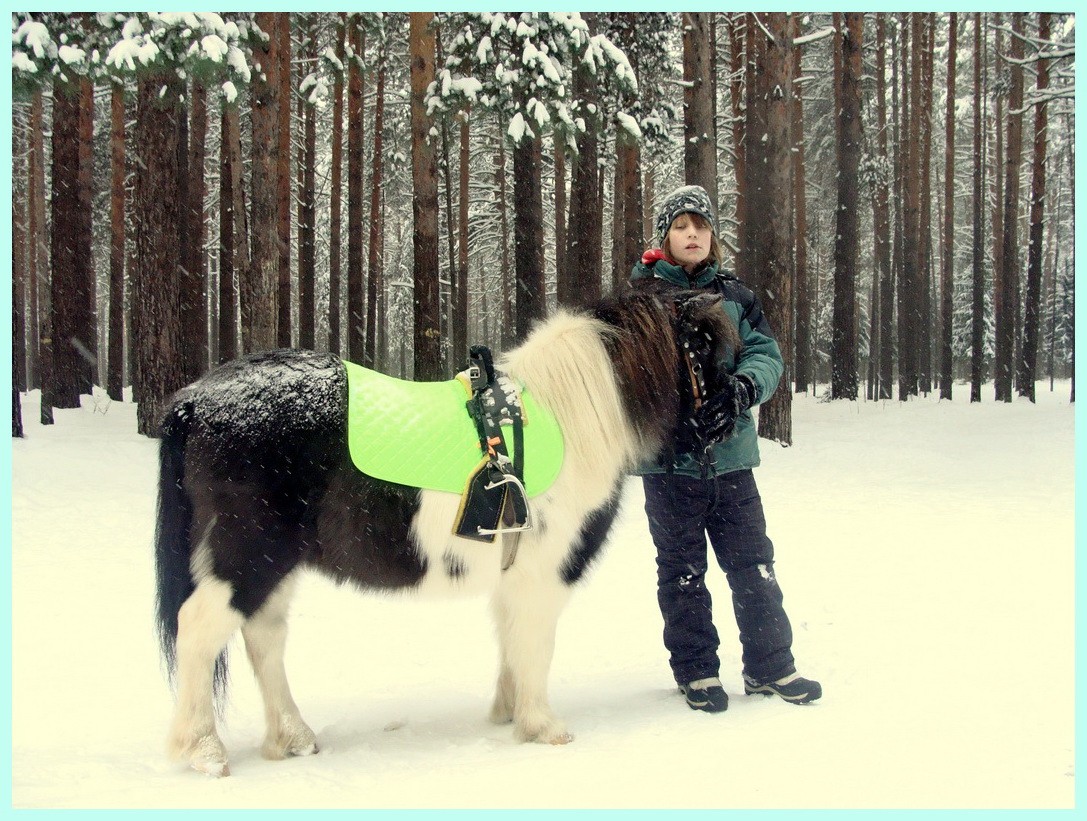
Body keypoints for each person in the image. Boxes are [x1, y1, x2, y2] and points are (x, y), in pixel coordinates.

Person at [629, 184, 821, 713]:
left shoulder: (737, 297)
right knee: (683, 572)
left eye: (701, 227)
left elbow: (766, 355)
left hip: (732, 461)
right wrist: (669, 413)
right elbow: (626, 374)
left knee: (754, 564)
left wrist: (740, 390)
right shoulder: (641, 299)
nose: (692, 235)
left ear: (712, 237)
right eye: (680, 226)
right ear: (664, 237)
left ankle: (771, 667)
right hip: (670, 467)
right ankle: (697, 673)